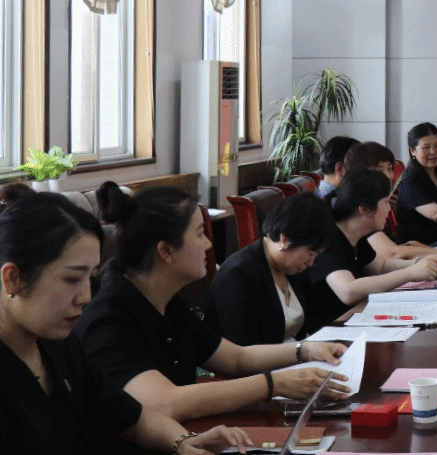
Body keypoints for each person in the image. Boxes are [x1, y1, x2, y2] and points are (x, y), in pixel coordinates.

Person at [74, 182, 350, 422]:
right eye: (199, 234)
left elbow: (237, 358)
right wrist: (274, 384)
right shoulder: (108, 320)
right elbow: (166, 403)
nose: (208, 244)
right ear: (166, 250)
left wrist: (307, 350)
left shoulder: (166, 301)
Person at [0, 193, 252, 455]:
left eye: (91, 278)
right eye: (72, 279)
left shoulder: (61, 346)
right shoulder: (99, 324)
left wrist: (183, 441)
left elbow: (132, 418)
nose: (86, 297)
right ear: (13, 279)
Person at [306, 168, 437, 327]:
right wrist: (410, 273)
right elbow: (348, 291)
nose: (389, 209)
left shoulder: (355, 234)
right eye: (386, 202)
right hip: (330, 329)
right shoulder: (328, 238)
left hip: (356, 318)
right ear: (364, 209)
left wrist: (419, 263)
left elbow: (380, 267)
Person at [209, 193, 335, 346]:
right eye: (310, 253)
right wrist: (303, 353)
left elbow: (311, 321)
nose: (311, 262)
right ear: (285, 239)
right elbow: (244, 351)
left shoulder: (293, 269)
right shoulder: (237, 276)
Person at [342, 142, 437, 270]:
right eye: (379, 170)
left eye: (389, 169)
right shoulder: (362, 208)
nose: (388, 176)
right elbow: (392, 254)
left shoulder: (381, 202)